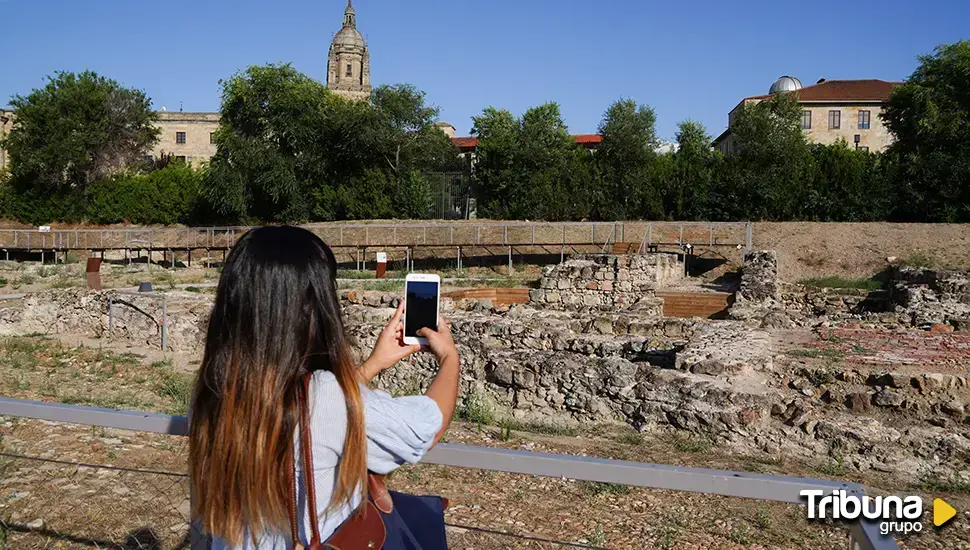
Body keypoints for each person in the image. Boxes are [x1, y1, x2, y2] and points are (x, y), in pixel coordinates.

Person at [188, 226, 460, 549]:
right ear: (312, 309)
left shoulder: (214, 391)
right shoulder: (324, 395)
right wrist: (450, 360)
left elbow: (304, 414)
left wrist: (373, 365)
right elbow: (426, 427)